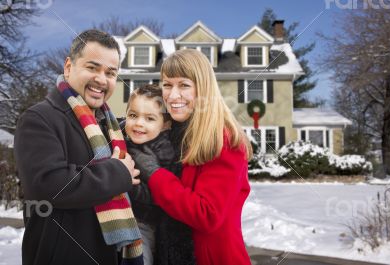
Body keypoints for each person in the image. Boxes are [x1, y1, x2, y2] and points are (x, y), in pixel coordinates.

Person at [14, 29, 143, 265]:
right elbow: (46, 185)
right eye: (92, 68)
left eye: (110, 73)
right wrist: (117, 172)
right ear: (68, 66)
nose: (102, 79)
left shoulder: (112, 127)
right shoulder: (39, 118)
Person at [131, 49, 253, 265]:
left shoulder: (223, 139)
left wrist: (154, 173)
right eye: (167, 85)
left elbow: (207, 215)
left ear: (203, 88)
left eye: (184, 85)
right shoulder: (174, 131)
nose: (173, 95)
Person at [124, 84, 196, 265]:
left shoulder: (165, 152)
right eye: (133, 115)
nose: (139, 123)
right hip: (125, 219)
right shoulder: (122, 142)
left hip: (146, 222)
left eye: (149, 118)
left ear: (165, 125)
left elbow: (160, 196)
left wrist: (129, 185)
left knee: (140, 257)